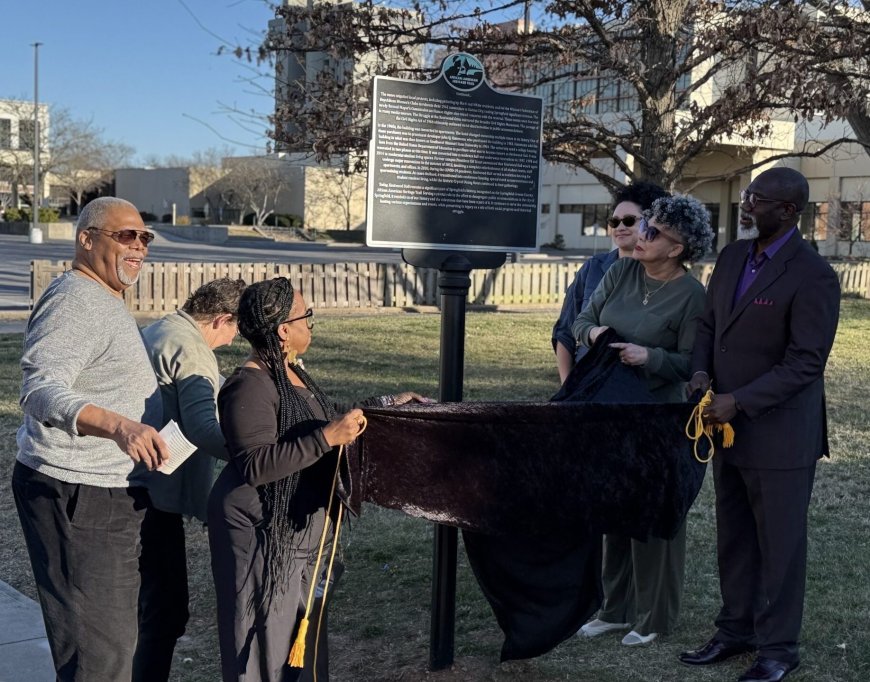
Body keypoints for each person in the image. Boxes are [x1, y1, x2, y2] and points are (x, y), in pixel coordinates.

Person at [208, 277, 429, 682]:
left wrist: (386, 406)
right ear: (283, 331)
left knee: (300, 644)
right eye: (305, 316)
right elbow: (256, 464)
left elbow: (328, 417)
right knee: (264, 645)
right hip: (261, 535)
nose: (311, 324)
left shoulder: (292, 376)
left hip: (298, 535)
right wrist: (327, 438)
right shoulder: (249, 385)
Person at [679, 167, 840, 682]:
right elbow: (708, 326)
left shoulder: (813, 275)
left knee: (781, 545)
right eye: (748, 195)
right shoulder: (729, 259)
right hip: (726, 430)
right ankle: (735, 631)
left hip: (781, 435)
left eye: (758, 199)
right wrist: (701, 373)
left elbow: (805, 362)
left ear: (789, 211)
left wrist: (739, 401)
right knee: (735, 538)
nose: (747, 205)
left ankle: (777, 649)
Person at [11, 197, 168, 681]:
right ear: (86, 239)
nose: (138, 246)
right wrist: (119, 425)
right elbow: (39, 388)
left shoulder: (103, 297)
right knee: (96, 657)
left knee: (114, 645)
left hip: (107, 491)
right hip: (77, 493)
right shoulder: (76, 299)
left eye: (145, 237)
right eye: (125, 235)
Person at [572, 194, 714, 646]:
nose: (640, 234)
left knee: (656, 516)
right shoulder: (621, 271)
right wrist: (595, 335)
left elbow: (692, 363)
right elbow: (581, 322)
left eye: (652, 231)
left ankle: (653, 617)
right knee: (614, 507)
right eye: (645, 224)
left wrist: (648, 356)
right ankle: (614, 608)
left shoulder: (693, 296)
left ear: (676, 249)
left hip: (659, 418)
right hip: (611, 411)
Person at [133, 277, 247, 682]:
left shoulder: (164, 327)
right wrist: (256, 458)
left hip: (135, 486)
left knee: (148, 608)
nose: (234, 340)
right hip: (151, 495)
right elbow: (202, 428)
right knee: (166, 613)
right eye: (236, 329)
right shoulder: (193, 350)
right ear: (222, 319)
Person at [552, 181, 670, 383]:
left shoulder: (668, 275)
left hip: (641, 390)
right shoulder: (592, 269)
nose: (620, 227)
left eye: (629, 220)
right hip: (586, 387)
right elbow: (565, 331)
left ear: (650, 224)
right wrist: (567, 387)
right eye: (614, 222)